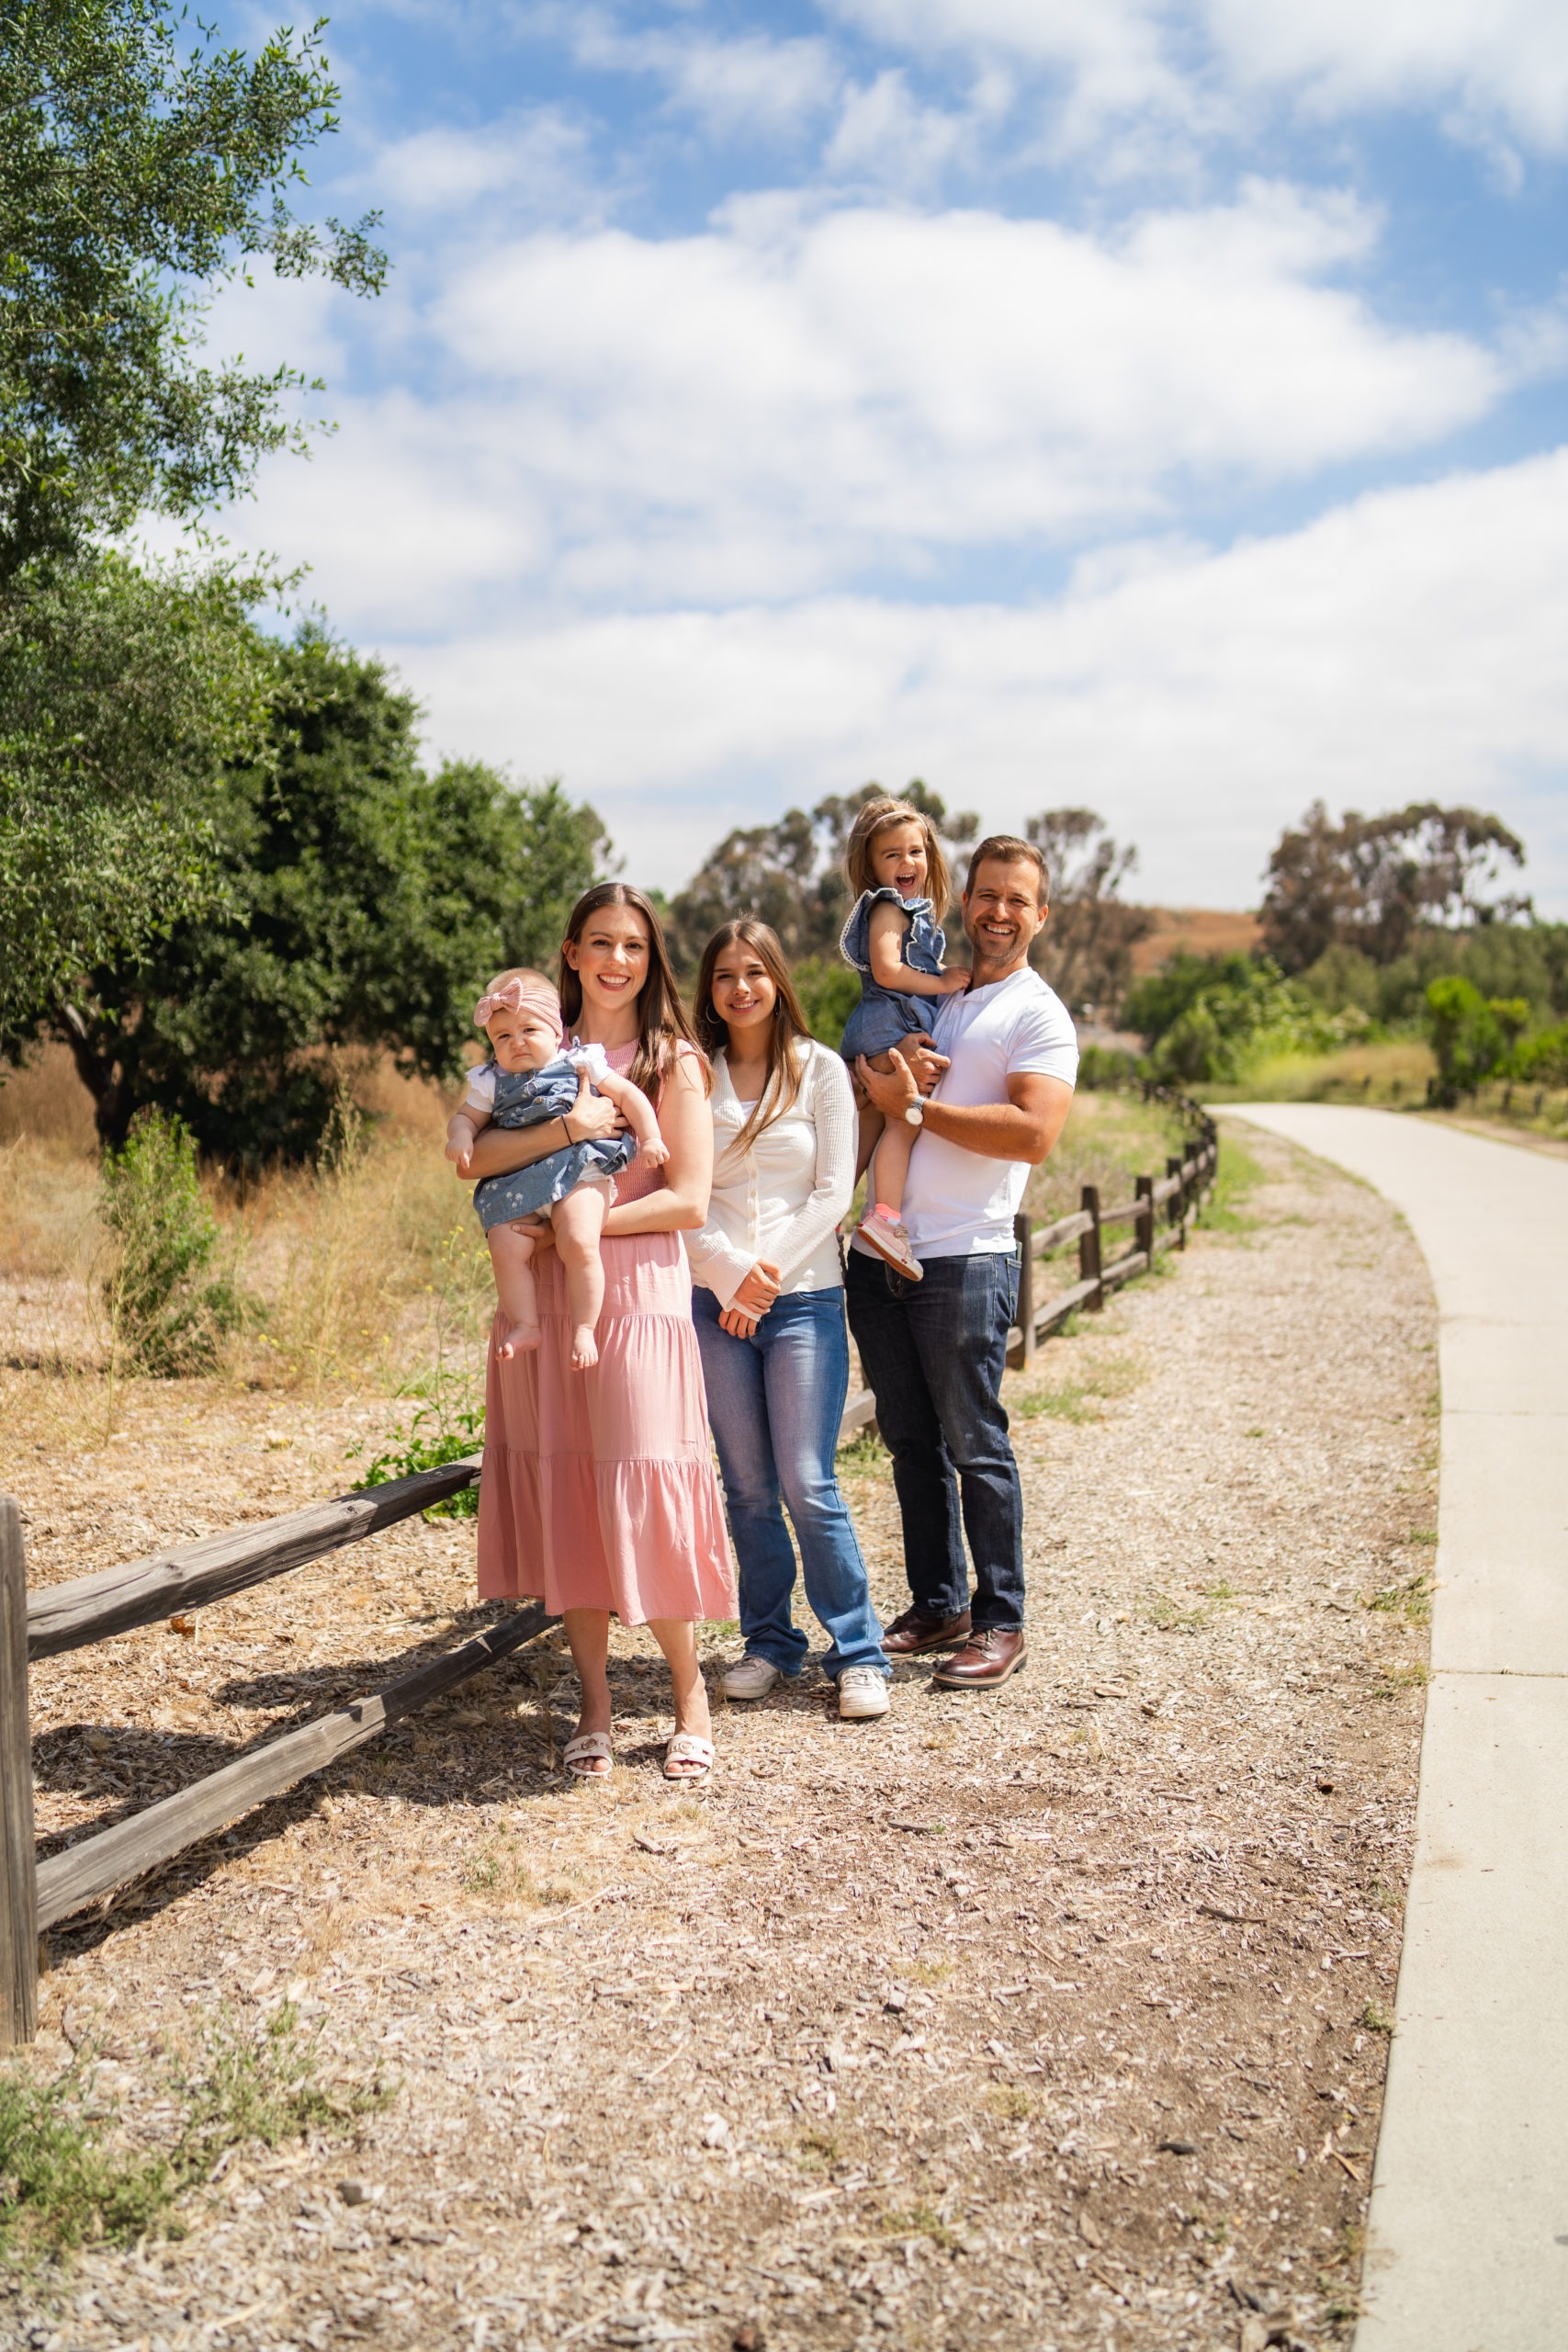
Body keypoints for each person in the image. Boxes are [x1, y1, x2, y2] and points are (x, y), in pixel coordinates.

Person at [463, 885, 733, 1781]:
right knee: (571, 1481)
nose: (619, 960)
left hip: (639, 1291)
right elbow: (474, 1156)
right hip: (545, 1295)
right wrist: (562, 1140)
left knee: (647, 1471)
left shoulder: (673, 1060)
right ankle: (594, 1700)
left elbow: (687, 1197)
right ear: (571, 951)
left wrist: (576, 1226)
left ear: (652, 961)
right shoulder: (529, 1045)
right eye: (601, 942)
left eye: (635, 946)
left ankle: (689, 1696)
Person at [846, 836, 1077, 1690]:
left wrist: (916, 1106)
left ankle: (1000, 1618)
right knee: (909, 1443)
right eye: (986, 894)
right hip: (882, 1250)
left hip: (967, 1257)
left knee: (974, 1442)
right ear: (964, 898)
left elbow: (1034, 1133)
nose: (998, 912)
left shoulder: (1036, 1013)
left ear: (1039, 915)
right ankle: (938, 1602)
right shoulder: (928, 988)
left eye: (1017, 900)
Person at [686, 920, 893, 1722]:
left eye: (754, 973)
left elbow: (833, 1190)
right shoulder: (691, 1077)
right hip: (716, 1305)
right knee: (745, 1489)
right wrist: (728, 1277)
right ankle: (770, 1643)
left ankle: (859, 1652)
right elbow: (681, 1191)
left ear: (777, 981)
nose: (740, 988)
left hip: (802, 1297)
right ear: (709, 990)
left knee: (808, 1482)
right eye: (724, 976)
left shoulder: (819, 1070)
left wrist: (762, 1277)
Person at [446, 967, 668, 1369]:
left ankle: (585, 1326)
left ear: (555, 1031)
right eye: (502, 1037)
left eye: (529, 1030)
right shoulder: (490, 1081)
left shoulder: (582, 1061)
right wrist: (459, 1137)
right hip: (522, 1181)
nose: (517, 1044)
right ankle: (525, 1323)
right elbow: (466, 1118)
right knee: (504, 1245)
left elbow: (629, 1096)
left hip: (581, 1173)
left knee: (579, 1239)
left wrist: (650, 1137)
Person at [837, 797, 971, 1282]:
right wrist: (941, 982)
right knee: (903, 1121)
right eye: (891, 854)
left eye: (915, 851)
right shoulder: (888, 906)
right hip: (890, 1022)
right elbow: (888, 970)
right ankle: (886, 1218)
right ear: (871, 866)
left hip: (883, 1025)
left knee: (869, 1127)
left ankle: (831, 1216)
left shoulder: (912, 910)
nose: (906, 862)